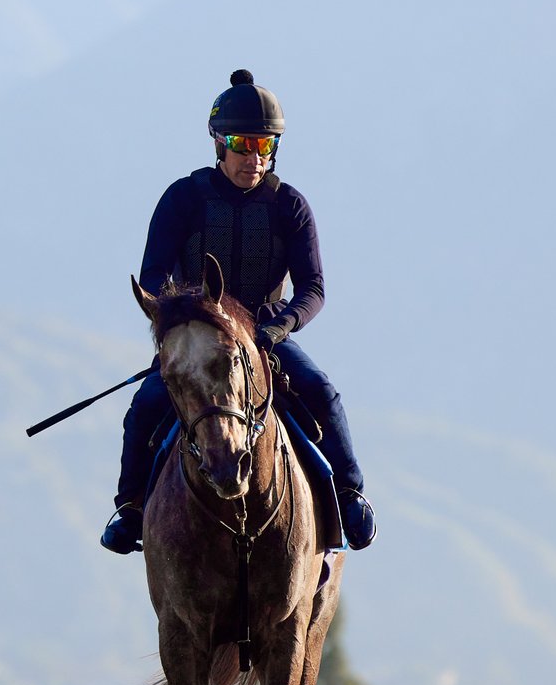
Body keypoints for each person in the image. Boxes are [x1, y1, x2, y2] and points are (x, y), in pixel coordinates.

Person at [101, 69, 377, 554]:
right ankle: (130, 510)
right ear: (218, 143)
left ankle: (350, 497)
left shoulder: (289, 205)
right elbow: (153, 279)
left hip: (266, 337)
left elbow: (313, 288)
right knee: (144, 407)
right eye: (242, 143)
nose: (253, 157)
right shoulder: (182, 199)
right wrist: (186, 323)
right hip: (198, 338)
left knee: (323, 393)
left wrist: (277, 328)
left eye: (264, 146)